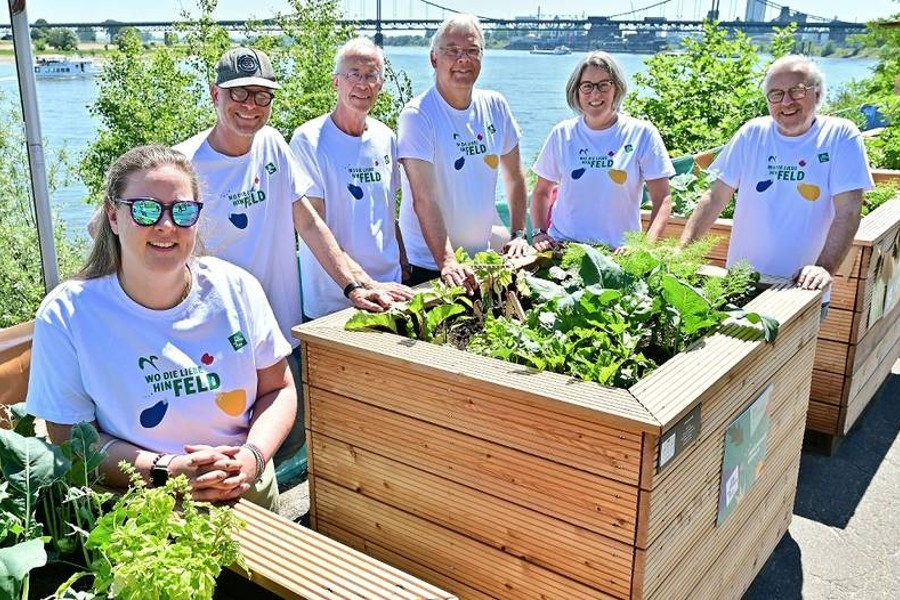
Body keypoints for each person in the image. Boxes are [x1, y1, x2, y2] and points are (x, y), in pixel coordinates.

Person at [27, 145, 290, 510]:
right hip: (142, 512)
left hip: (247, 495)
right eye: (146, 210)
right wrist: (169, 471)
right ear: (113, 217)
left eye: (182, 211)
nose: (166, 225)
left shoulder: (237, 288)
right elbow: (69, 438)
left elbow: (278, 389)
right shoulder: (69, 313)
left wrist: (251, 458)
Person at [175, 47, 396, 467]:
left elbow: (309, 223)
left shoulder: (274, 145)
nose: (250, 106)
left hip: (277, 333)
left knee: (288, 440)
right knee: (223, 454)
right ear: (213, 95)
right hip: (214, 346)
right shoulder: (184, 164)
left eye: (261, 96)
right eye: (238, 94)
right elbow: (111, 228)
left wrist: (354, 285)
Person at [680, 55, 874, 303]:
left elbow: (848, 212)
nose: (786, 102)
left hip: (802, 291)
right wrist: (683, 254)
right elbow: (715, 197)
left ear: (817, 94)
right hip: (740, 283)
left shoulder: (840, 135)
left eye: (797, 91)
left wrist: (823, 268)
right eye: (776, 94)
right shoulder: (752, 133)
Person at [398, 14, 531, 293]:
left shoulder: (495, 105)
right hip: (431, 264)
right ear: (434, 58)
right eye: (452, 51)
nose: (463, 59)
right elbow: (424, 198)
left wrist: (519, 234)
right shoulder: (418, 115)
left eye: (472, 51)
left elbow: (515, 177)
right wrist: (447, 261)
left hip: (480, 260)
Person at [289, 38, 413, 320]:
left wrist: (403, 265)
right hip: (335, 299)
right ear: (336, 82)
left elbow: (387, 211)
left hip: (392, 290)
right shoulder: (308, 140)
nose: (363, 83)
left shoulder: (386, 137)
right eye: (353, 74)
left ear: (380, 85)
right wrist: (363, 283)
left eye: (371, 76)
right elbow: (312, 224)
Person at [530, 51, 674, 253]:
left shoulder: (642, 134)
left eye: (603, 85)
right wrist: (539, 232)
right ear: (576, 91)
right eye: (587, 86)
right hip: (563, 248)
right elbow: (541, 192)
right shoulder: (561, 133)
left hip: (618, 255)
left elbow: (663, 198)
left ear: (616, 88)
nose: (595, 94)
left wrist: (643, 248)